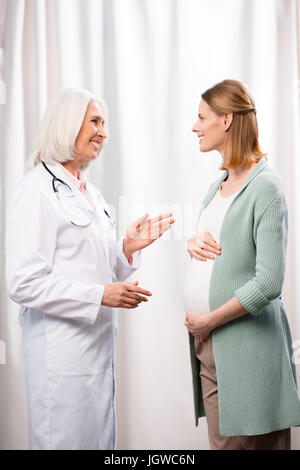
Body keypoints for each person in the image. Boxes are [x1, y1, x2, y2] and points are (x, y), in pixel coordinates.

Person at [5, 88, 174, 450]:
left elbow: (91, 265)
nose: (103, 132)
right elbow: (23, 282)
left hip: (96, 354)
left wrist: (125, 248)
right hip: (61, 358)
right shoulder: (36, 190)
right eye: (95, 121)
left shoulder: (89, 194)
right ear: (68, 125)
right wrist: (99, 295)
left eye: (105, 124)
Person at [183, 79, 300, 450]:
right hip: (209, 350)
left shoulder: (266, 187)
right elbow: (223, 249)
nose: (195, 126)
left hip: (248, 351)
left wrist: (209, 319)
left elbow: (268, 282)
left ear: (228, 120)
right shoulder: (218, 184)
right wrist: (193, 242)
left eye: (202, 117)